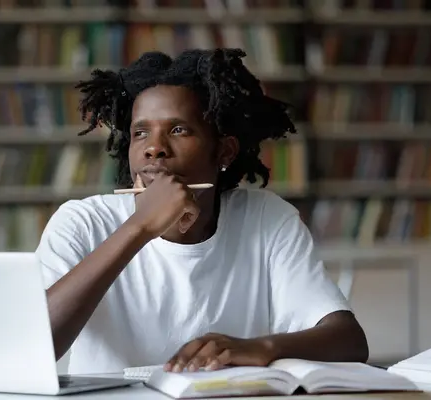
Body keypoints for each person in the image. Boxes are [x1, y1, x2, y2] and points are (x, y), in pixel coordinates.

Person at [36, 48, 369, 375]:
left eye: (178, 130)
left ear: (224, 151)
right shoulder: (82, 223)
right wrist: (139, 227)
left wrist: (262, 348)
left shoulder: (267, 220)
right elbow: (35, 345)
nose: (155, 148)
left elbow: (349, 341)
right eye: (141, 133)